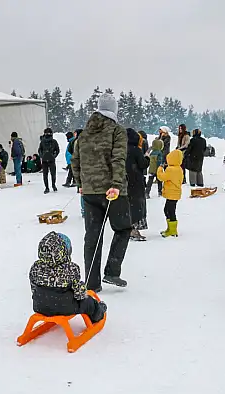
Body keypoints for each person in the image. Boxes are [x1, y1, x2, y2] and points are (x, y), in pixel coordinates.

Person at [71, 93, 132, 291]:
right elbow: (118, 159)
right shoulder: (117, 131)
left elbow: (75, 161)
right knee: (123, 229)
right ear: (114, 110)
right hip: (113, 191)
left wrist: (81, 183)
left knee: (92, 237)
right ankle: (112, 271)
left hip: (89, 192)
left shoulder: (84, 134)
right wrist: (115, 183)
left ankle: (91, 282)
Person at [29, 231, 107, 324]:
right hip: (65, 307)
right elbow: (79, 294)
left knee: (50, 298)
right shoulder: (71, 269)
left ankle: (49, 305)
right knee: (88, 302)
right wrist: (82, 289)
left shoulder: (36, 268)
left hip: (40, 306)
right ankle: (98, 314)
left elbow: (33, 287)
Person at [126, 128, 150, 241]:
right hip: (136, 181)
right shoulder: (136, 150)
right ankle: (133, 230)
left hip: (125, 181)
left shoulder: (122, 149)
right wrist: (147, 157)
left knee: (129, 205)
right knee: (137, 205)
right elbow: (143, 164)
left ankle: (129, 228)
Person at [157, 149, 184, 237]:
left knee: (169, 211)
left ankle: (172, 231)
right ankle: (170, 229)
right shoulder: (179, 169)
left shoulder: (171, 169)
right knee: (169, 210)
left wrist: (160, 168)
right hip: (175, 193)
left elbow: (162, 177)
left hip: (172, 194)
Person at [38, 128, 60, 193]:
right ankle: (49, 187)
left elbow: (57, 150)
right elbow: (40, 150)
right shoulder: (43, 142)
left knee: (50, 174)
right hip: (47, 160)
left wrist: (53, 156)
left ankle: (51, 186)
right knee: (48, 174)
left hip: (49, 160)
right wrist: (42, 155)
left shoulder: (53, 141)